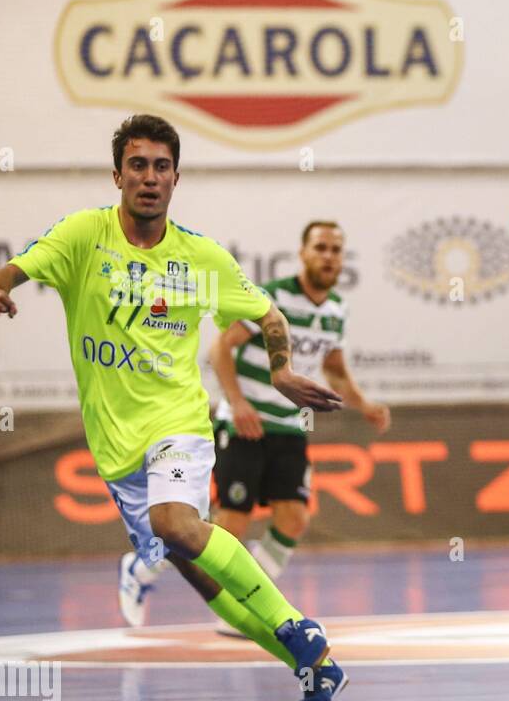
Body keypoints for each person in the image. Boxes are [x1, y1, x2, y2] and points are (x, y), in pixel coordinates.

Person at [0, 114, 350, 701]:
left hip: (178, 422)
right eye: (138, 165)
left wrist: (279, 372)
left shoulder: (201, 256)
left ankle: (297, 625)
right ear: (118, 174)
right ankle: (314, 668)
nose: (149, 177)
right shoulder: (82, 236)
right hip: (115, 443)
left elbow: (269, 317)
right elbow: (12, 270)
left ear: (176, 177)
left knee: (177, 525)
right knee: (199, 573)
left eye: (161, 166)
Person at [137, 220, 391, 639]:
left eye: (336, 250)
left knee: (293, 518)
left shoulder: (335, 311)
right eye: (321, 248)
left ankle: (245, 604)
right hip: (245, 425)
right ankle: (147, 563)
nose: (329, 256)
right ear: (303, 253)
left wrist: (365, 406)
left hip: (288, 427)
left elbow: (334, 368)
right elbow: (220, 348)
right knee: (231, 522)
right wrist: (237, 403)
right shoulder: (273, 299)